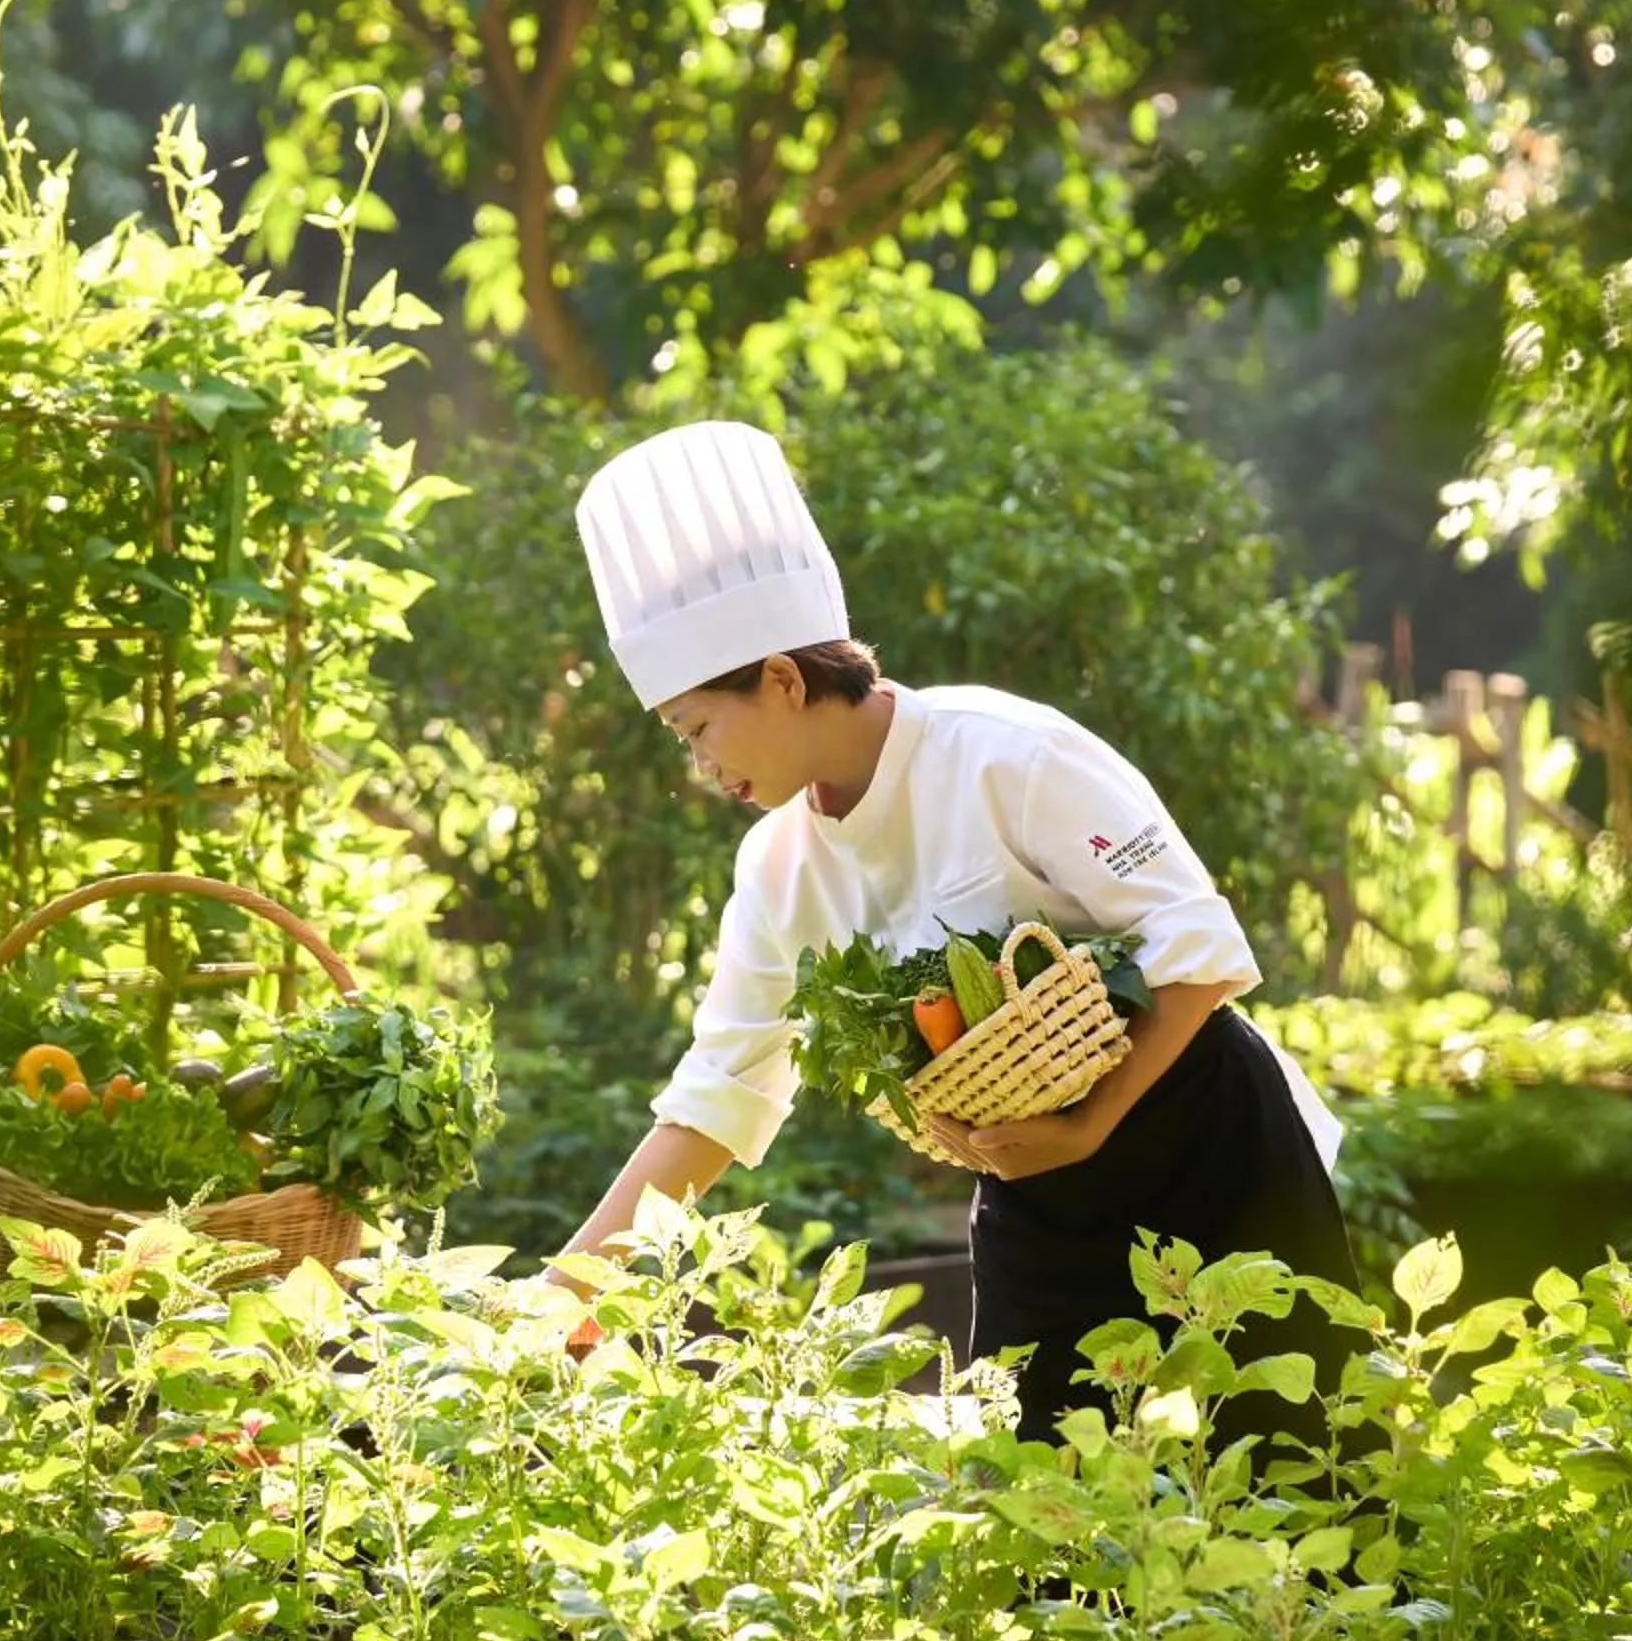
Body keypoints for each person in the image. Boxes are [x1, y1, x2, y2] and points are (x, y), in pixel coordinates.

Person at [548, 419, 1363, 1453]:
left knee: (1312, 1481)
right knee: (1047, 1524)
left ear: (784, 679)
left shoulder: (1000, 752)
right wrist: (567, 1287)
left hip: (1211, 1139)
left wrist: (1091, 1120)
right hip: (1039, 1188)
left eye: (698, 729)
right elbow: (717, 1095)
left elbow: (1200, 946)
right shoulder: (779, 867)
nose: (698, 764)